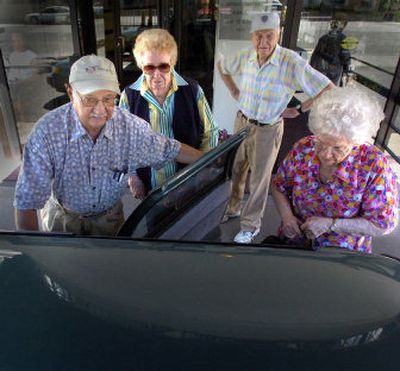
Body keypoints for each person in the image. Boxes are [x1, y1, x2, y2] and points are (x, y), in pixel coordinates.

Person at [14, 55, 203, 236]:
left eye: (108, 99)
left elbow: (171, 149)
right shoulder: (47, 133)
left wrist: (215, 159)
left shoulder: (129, 127)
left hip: (110, 220)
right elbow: (27, 202)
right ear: (70, 93)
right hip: (62, 220)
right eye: (89, 99)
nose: (100, 110)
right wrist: (33, 254)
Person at [217, 12, 334, 244]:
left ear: (278, 34)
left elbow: (326, 87)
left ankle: (250, 226)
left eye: (269, 36)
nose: (263, 42)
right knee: (237, 169)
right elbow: (223, 68)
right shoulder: (247, 55)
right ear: (252, 37)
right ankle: (233, 208)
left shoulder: (291, 62)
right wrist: (234, 92)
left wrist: (300, 109)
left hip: (267, 129)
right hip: (242, 123)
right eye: (258, 36)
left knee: (259, 181)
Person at [271, 86, 398, 253]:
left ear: (355, 142)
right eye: (321, 142)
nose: (325, 154)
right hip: (294, 245)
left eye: (338, 148)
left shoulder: (373, 165)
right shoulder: (304, 147)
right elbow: (278, 186)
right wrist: (287, 217)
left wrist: (332, 225)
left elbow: (382, 224)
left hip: (341, 255)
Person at [119, 28, 218, 199]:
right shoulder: (129, 96)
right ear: (141, 66)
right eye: (149, 67)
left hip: (188, 182)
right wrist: (133, 176)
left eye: (163, 66)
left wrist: (203, 168)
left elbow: (211, 133)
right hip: (150, 188)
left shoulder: (193, 90)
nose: (156, 75)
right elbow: (122, 142)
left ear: (172, 63)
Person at [310, 18, 352, 86]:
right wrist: (348, 72)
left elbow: (315, 55)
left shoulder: (323, 37)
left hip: (321, 68)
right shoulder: (342, 38)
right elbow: (346, 57)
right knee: (331, 89)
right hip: (334, 69)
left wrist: (311, 68)